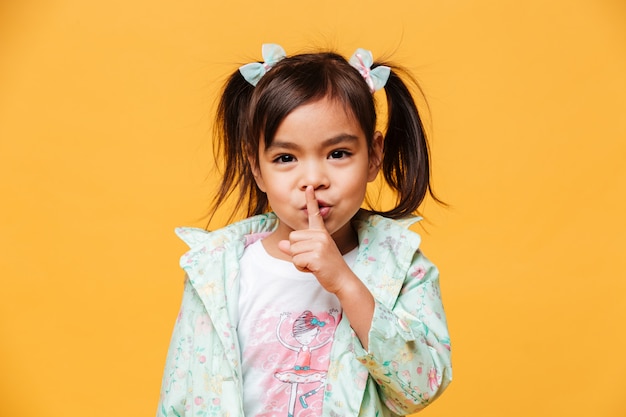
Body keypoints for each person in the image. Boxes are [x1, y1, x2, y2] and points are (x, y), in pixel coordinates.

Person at [157, 44, 452, 417]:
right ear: (257, 168)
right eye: (285, 159)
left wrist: (345, 283)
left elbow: (420, 388)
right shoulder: (217, 272)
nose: (312, 180)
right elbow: (180, 395)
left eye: (338, 153)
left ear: (374, 156)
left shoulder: (400, 266)